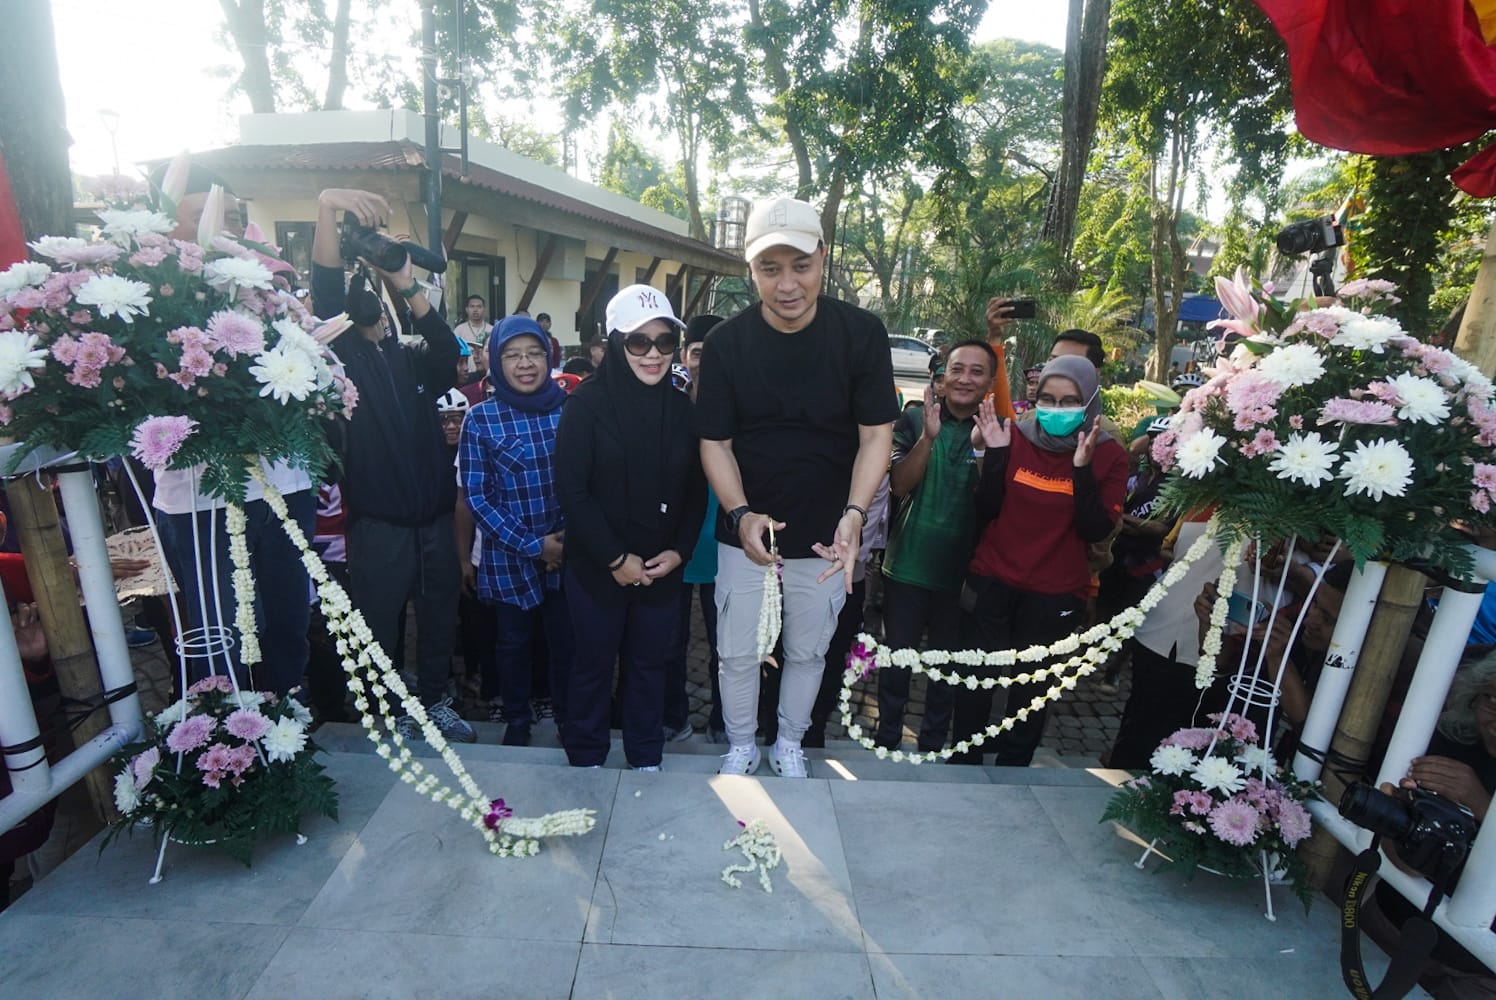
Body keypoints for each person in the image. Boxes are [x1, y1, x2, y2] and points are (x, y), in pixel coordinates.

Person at [696, 195, 898, 778]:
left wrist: (856, 512)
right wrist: (738, 514)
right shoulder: (729, 344)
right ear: (751, 270)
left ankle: (789, 743)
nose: (786, 285)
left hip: (826, 532)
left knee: (810, 650)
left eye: (800, 266)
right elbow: (715, 442)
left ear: (822, 258)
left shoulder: (860, 333)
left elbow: (876, 434)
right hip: (746, 534)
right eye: (769, 268)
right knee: (736, 652)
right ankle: (739, 745)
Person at [310, 187, 474, 743]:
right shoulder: (338, 360)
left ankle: (433, 701)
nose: (371, 307)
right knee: (378, 627)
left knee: (437, 622)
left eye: (378, 299)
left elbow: (451, 353)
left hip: (431, 520)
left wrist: (407, 284)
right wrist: (328, 209)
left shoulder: (412, 359)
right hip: (377, 525)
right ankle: (385, 712)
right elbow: (328, 291)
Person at [952, 355, 1129, 766]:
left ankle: (1014, 769)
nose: (1056, 409)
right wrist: (994, 455)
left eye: (1070, 402)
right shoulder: (1015, 435)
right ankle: (963, 761)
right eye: (1048, 398)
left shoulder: (1107, 454)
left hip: (1055, 593)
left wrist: (1081, 470)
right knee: (977, 679)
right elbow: (987, 509)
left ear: (1090, 402)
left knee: (1031, 691)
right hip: (993, 578)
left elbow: (1096, 530)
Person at [555, 286, 704, 769]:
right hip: (598, 568)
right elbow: (572, 491)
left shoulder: (682, 409)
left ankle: (645, 756)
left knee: (649, 667)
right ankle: (586, 756)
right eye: (639, 342)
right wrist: (616, 559)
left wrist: (680, 551)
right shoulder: (585, 405)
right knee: (592, 666)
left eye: (664, 341)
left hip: (661, 569)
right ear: (616, 344)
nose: (654, 353)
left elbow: (695, 489)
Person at [875, 340, 996, 751]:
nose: (965, 379)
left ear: (990, 382)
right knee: (896, 663)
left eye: (977, 372)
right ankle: (887, 739)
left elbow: (991, 503)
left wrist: (982, 448)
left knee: (947, 668)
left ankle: (931, 745)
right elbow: (898, 484)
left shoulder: (996, 431)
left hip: (962, 576)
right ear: (942, 377)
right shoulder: (913, 418)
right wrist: (927, 438)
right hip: (906, 566)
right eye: (957, 369)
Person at [458, 315, 573, 746]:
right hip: (510, 555)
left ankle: (568, 720)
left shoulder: (570, 408)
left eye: (534, 353)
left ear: (549, 356)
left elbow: (590, 480)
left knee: (566, 644)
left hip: (568, 551)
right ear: (495, 361)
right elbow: (478, 495)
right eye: (512, 355)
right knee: (512, 645)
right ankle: (518, 719)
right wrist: (533, 545)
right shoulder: (480, 420)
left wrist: (564, 543)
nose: (524, 364)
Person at [669, 314, 726, 743]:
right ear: (685, 356)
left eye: (716, 352)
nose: (706, 361)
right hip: (675, 542)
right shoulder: (670, 407)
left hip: (727, 544)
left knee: (726, 644)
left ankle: (726, 720)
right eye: (698, 352)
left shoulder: (744, 408)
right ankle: (673, 716)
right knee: (669, 642)